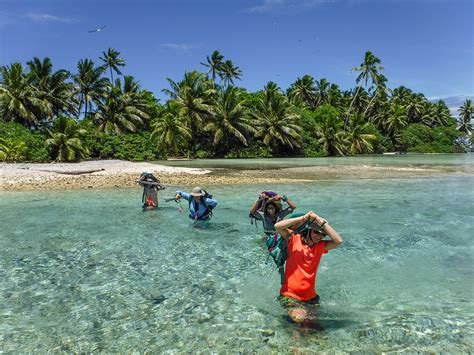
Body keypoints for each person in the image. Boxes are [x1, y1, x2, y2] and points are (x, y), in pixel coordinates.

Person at [274, 211, 343, 324]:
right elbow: (278, 226)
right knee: (299, 318)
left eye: (322, 234)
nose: (319, 236)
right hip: (290, 296)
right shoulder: (293, 240)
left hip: (311, 297)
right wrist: (303, 218)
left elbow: (338, 241)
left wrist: (323, 223)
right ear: (309, 230)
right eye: (316, 232)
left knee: (312, 326)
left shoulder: (320, 247)